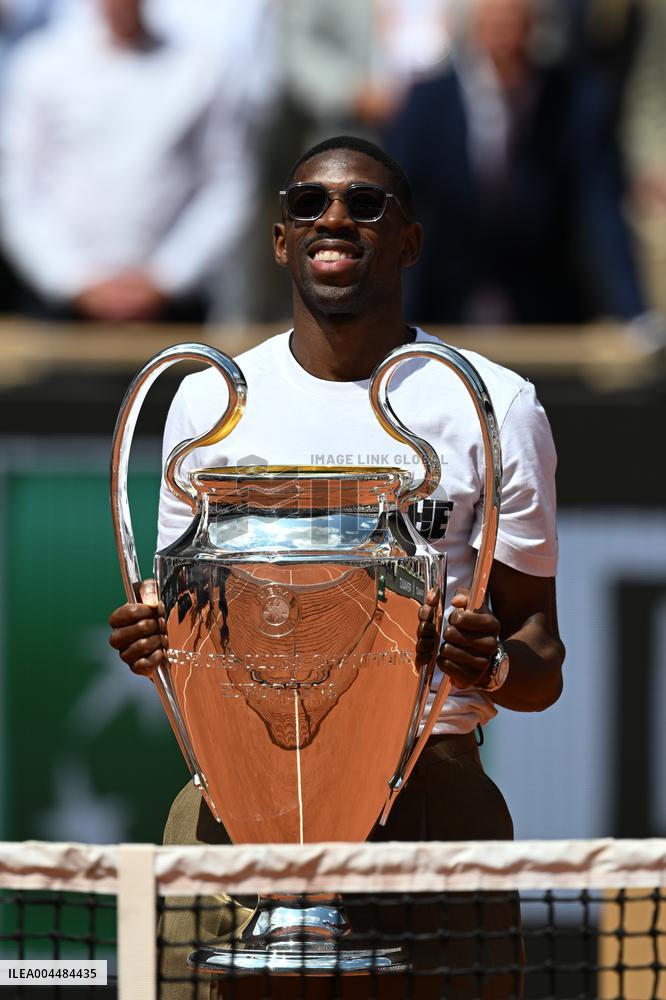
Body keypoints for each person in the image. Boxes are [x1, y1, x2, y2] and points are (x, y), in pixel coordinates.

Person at [109, 135, 565, 998]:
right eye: (308, 203)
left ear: (410, 241)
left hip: (430, 808)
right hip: (233, 813)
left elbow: (541, 656)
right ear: (281, 240)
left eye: (365, 204)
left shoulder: (495, 406)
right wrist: (150, 633)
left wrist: (493, 662)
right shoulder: (209, 401)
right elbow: (180, 625)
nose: (335, 219)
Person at [383, 0, 647, 325]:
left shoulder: (574, 101)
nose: (507, 38)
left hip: (545, 306)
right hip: (444, 301)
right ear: (475, 30)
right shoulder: (427, 103)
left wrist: (633, 314)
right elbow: (399, 206)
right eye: (496, 26)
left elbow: (601, 210)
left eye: (516, 24)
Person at [0, 0, 256, 322]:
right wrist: (72, 278)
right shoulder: (42, 65)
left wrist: (167, 275)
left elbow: (226, 183)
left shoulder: (200, 67)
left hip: (170, 305)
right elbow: (19, 190)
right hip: (60, 305)